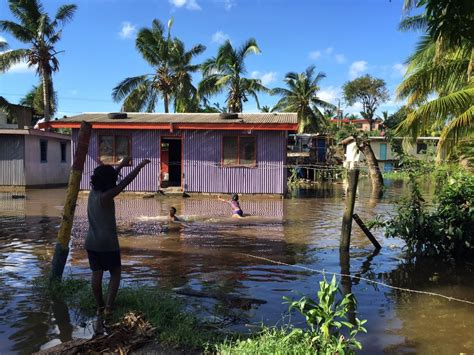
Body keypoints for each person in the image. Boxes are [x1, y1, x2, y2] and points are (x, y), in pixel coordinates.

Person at [85, 156, 150, 334]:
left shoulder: (93, 193)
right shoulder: (106, 196)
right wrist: (140, 166)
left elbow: (111, 176)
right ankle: (109, 307)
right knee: (115, 273)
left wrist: (121, 164)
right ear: (108, 182)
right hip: (108, 243)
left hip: (91, 242)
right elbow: (126, 181)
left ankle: (99, 306)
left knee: (96, 274)